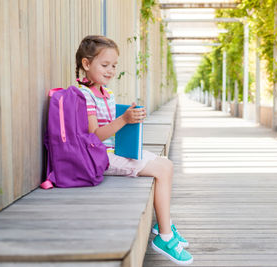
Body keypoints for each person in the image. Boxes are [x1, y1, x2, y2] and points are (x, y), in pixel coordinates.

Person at [74, 35, 193, 265]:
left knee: (166, 164)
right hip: (102, 158)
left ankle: (163, 225)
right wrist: (124, 119)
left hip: (115, 151)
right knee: (161, 170)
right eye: (105, 65)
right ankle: (165, 238)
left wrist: (130, 118)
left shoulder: (105, 93)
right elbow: (94, 137)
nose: (111, 71)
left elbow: (112, 127)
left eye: (114, 66)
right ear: (86, 64)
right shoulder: (85, 95)